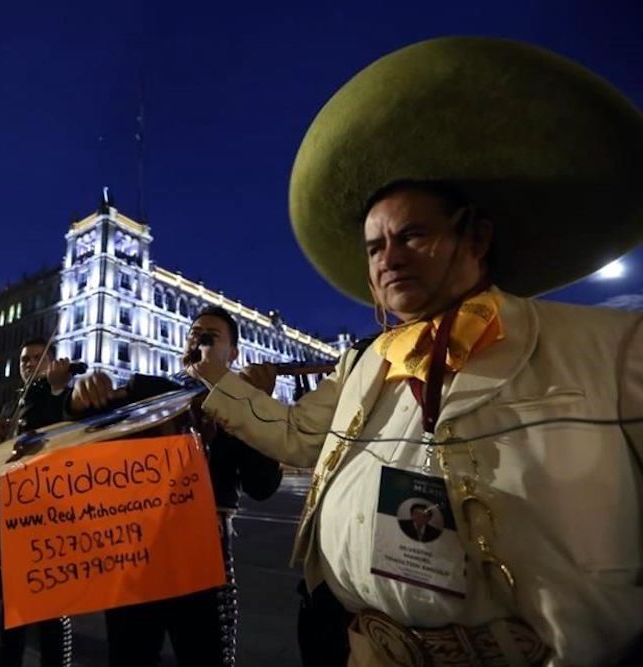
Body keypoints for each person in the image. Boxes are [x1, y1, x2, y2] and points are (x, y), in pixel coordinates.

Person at [187, 37, 643, 666]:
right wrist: (218, 380)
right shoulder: (366, 364)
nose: (390, 257)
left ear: (476, 236)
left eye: (414, 235)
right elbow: (296, 438)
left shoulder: (611, 352)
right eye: (374, 247)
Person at [69, 306, 283, 667]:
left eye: (211, 336)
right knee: (128, 656)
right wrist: (78, 397)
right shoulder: (146, 390)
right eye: (193, 333)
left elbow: (261, 485)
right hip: (136, 557)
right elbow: (85, 426)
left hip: (205, 561)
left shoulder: (241, 405)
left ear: (234, 354)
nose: (197, 339)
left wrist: (259, 408)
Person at [0, 338, 75, 667]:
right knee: (11, 603)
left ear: (53, 362)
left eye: (38, 358)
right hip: (7, 510)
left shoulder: (67, 396)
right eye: (24, 359)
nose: (29, 363)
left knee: (52, 607)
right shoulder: (11, 406)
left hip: (49, 514)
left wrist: (55, 388)